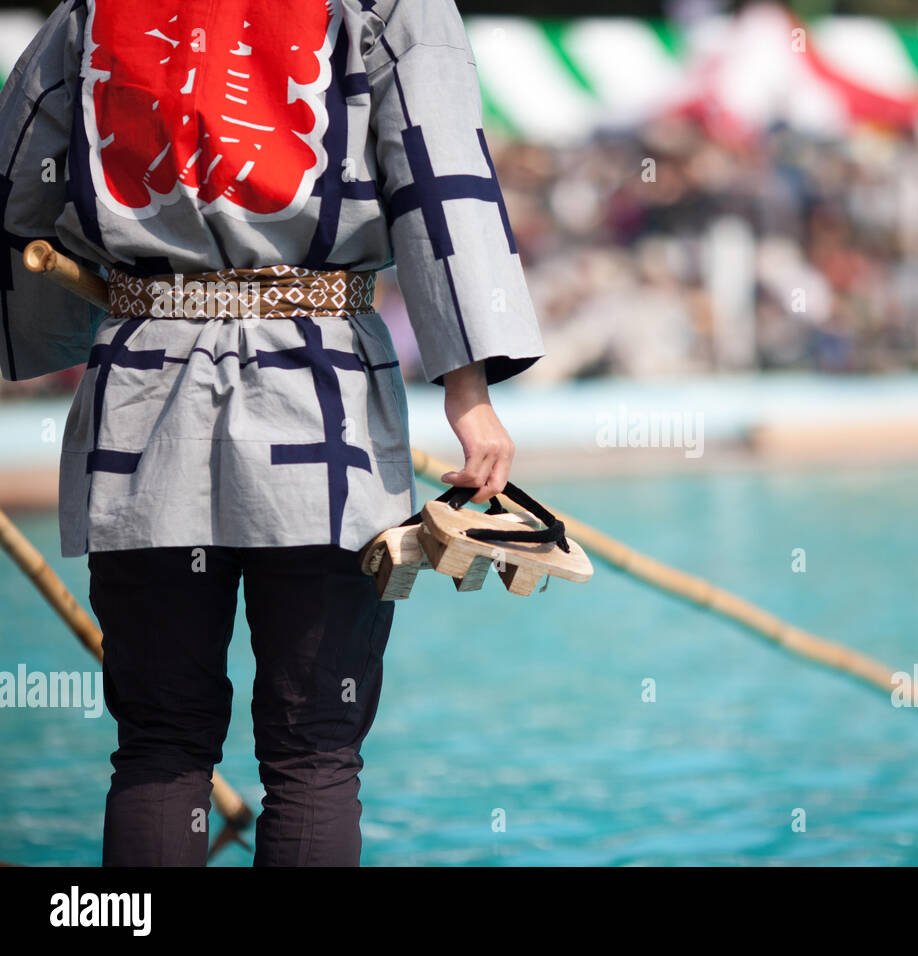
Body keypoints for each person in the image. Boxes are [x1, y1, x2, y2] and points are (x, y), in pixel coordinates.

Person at [0, 0, 543, 866]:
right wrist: (467, 388)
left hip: (139, 402)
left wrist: (42, 332)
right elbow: (439, 178)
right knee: (316, 750)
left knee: (159, 745)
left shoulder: (89, 8)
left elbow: (21, 182)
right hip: (324, 403)